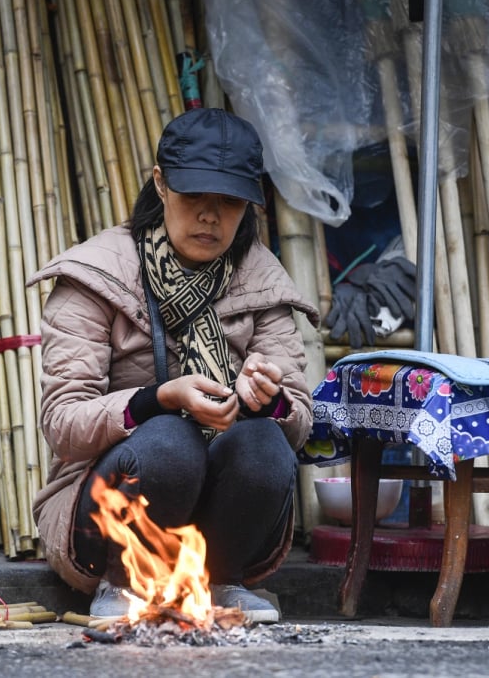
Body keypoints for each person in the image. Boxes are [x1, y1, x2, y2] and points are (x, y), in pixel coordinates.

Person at [28, 108, 318, 624]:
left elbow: (298, 425)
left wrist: (269, 402)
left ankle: (220, 581)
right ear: (161, 184)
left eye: (229, 202)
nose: (210, 216)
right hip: (103, 519)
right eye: (194, 196)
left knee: (264, 442)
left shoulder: (262, 279)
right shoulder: (97, 275)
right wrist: (157, 400)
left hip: (217, 517)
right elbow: (63, 424)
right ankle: (124, 585)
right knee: (170, 441)